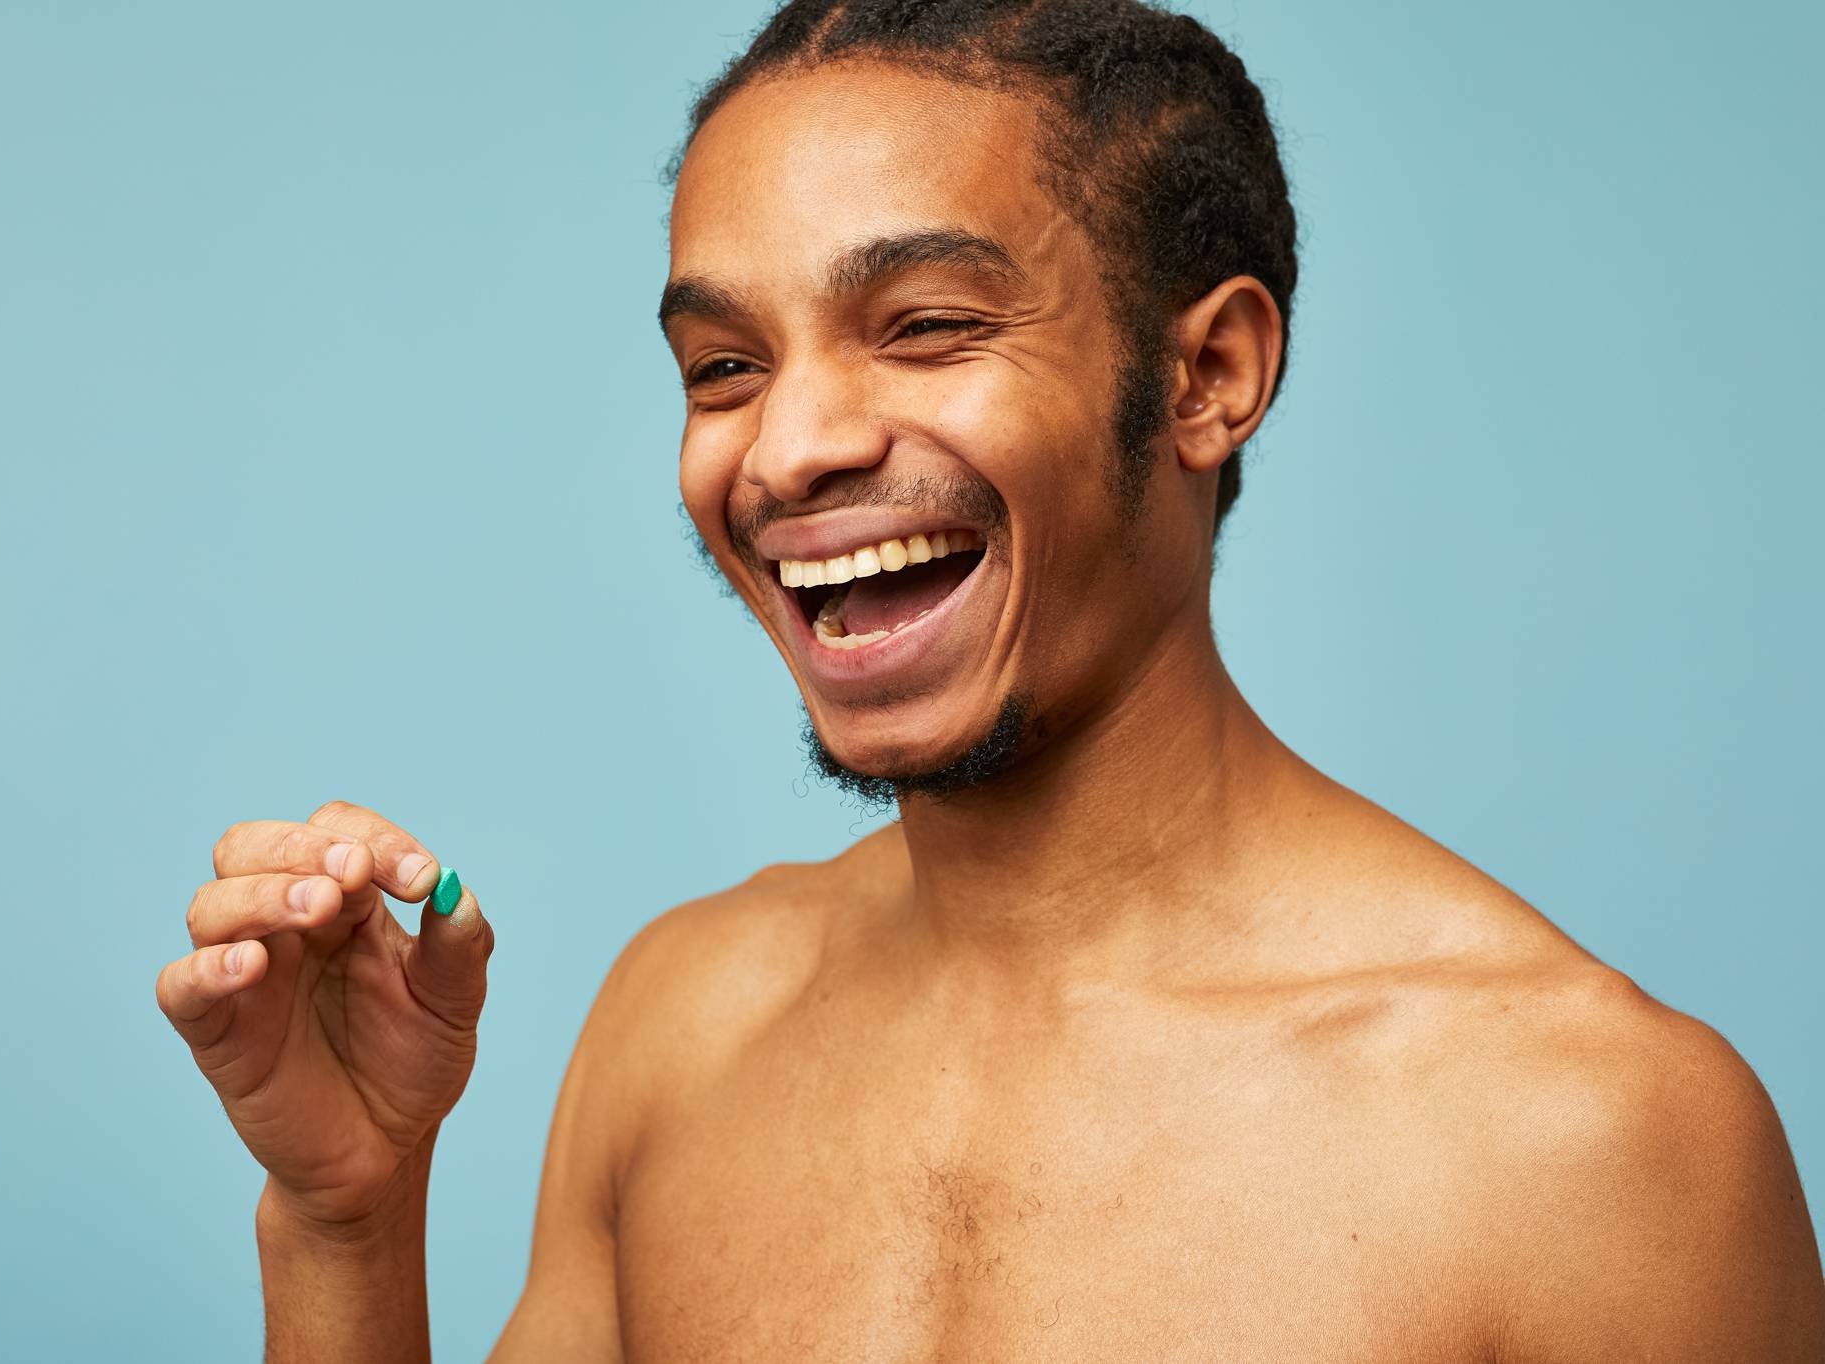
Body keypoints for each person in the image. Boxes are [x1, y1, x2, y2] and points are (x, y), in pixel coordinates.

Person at [156, 2, 1825, 1359]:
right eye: (724, 366)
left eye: (928, 325)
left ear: (1209, 374)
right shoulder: (680, 1027)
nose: (788, 449)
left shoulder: (1595, 1144)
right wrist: (346, 1225)